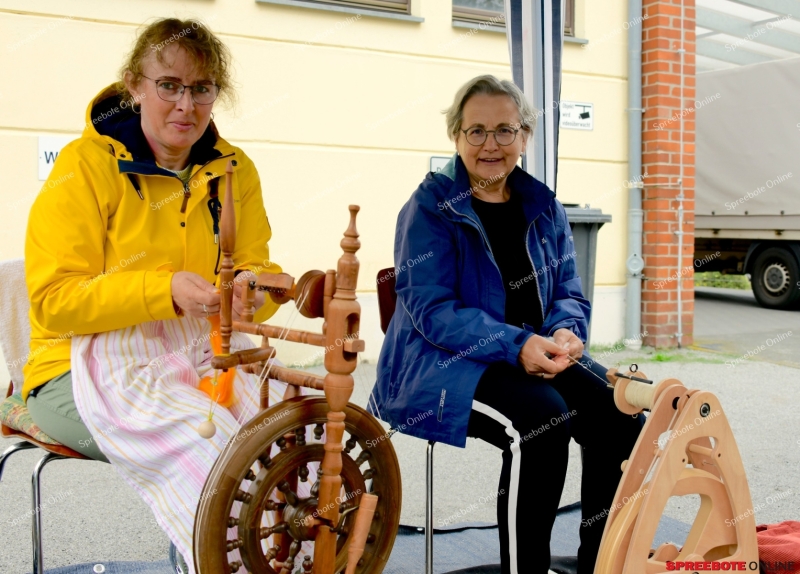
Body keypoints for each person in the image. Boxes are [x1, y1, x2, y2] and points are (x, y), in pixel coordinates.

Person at [22, 18, 295, 574]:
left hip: (198, 354)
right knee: (221, 449)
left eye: (201, 89)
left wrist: (252, 294)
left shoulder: (234, 169)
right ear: (134, 85)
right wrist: (162, 291)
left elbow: (258, 268)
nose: (185, 105)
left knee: (292, 436)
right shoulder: (84, 167)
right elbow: (54, 299)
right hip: (76, 366)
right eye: (169, 85)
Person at [369, 75, 644, 574]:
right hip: (438, 362)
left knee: (621, 413)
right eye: (476, 131)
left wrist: (565, 331)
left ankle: (599, 564)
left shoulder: (544, 207)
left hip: (529, 350)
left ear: (524, 136)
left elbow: (568, 291)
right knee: (542, 421)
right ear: (456, 137)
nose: (490, 144)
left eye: (504, 130)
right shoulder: (429, 210)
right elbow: (432, 311)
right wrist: (518, 345)